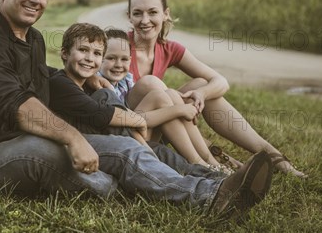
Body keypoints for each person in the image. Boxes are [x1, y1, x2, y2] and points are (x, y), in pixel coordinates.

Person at [0, 0, 273, 217]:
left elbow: (40, 77)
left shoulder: (31, 38)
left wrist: (88, 78)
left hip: (29, 138)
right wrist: (74, 138)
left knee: (127, 150)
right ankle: (149, 187)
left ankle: (212, 192)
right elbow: (18, 105)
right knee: (98, 181)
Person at [124, 0, 308, 178]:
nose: (145, 20)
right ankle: (211, 161)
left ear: (165, 14)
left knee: (201, 84)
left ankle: (271, 155)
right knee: (152, 84)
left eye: (152, 12)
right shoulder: (119, 46)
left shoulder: (169, 48)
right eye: (137, 13)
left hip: (161, 124)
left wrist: (201, 94)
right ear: (129, 17)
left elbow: (220, 81)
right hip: (131, 130)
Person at [49, 23, 227, 179]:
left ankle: (210, 172)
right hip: (114, 143)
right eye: (83, 50)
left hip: (130, 136)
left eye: (96, 53)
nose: (89, 58)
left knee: (165, 154)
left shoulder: (94, 83)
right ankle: (199, 163)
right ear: (64, 54)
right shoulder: (64, 83)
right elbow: (101, 115)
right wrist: (142, 123)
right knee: (120, 98)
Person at [98, 28, 234, 173]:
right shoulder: (99, 85)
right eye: (111, 58)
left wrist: (176, 102)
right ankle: (198, 162)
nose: (118, 64)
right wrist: (179, 110)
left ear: (130, 60)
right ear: (99, 58)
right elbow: (130, 120)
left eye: (124, 59)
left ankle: (210, 160)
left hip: (140, 132)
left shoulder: (125, 79)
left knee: (170, 95)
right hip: (125, 139)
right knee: (160, 97)